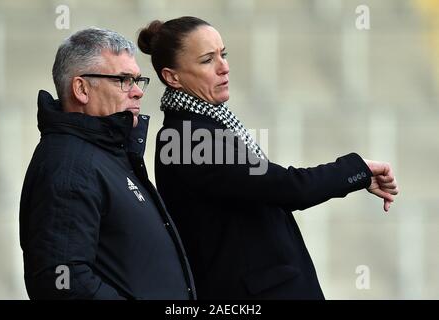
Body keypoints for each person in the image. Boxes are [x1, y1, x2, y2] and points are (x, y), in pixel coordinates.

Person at [136, 16, 399, 300]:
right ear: (172, 77)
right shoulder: (188, 139)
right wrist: (357, 170)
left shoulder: (202, 127)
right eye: (207, 60)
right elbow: (288, 187)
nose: (224, 67)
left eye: (223, 55)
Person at [19, 27, 196, 300]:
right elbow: (62, 282)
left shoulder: (106, 155)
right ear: (81, 88)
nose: (138, 92)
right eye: (124, 80)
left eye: (138, 80)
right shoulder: (70, 165)